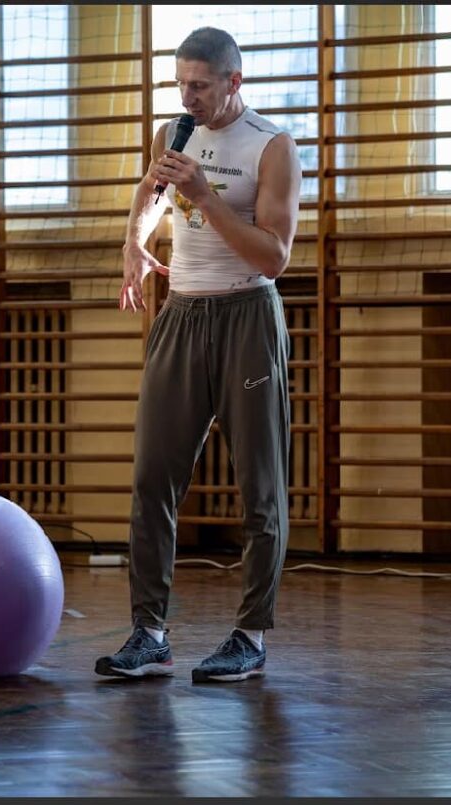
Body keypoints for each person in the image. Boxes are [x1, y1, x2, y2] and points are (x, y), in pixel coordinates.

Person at [96, 27, 300, 683]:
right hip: (181, 315)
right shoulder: (173, 131)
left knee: (260, 489)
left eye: (201, 86)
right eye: (181, 84)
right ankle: (149, 633)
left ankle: (250, 634)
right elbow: (150, 193)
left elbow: (275, 256)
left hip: (247, 313)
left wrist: (207, 197)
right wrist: (134, 242)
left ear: (233, 82)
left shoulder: (272, 147)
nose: (188, 97)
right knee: (153, 478)